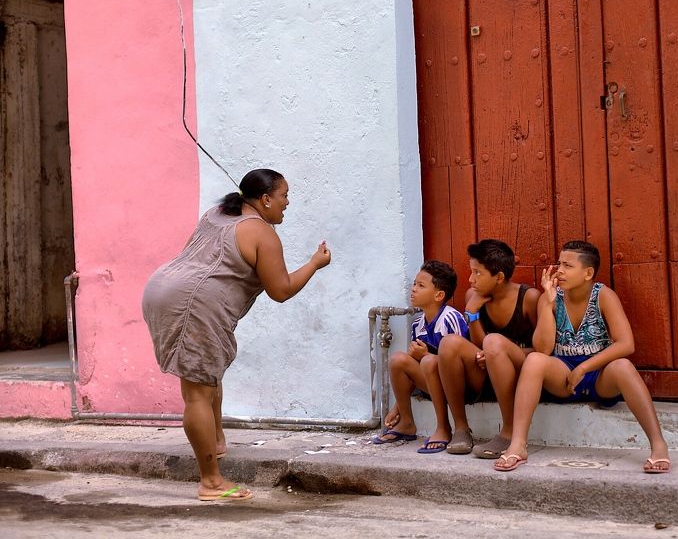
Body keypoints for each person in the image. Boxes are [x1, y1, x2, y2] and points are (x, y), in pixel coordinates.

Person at [142, 168, 331, 501]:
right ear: (265, 198)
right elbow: (281, 290)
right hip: (194, 305)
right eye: (284, 195)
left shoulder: (218, 213)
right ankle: (211, 482)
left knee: (208, 374)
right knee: (197, 393)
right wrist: (314, 263)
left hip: (162, 290)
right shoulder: (261, 233)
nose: (288, 203)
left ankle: (215, 443)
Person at [493, 240, 670, 473]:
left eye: (567, 265)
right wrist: (547, 303)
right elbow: (543, 349)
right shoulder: (552, 297)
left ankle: (658, 445)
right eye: (559, 264)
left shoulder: (603, 295)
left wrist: (585, 367)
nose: (559, 270)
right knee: (534, 360)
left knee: (624, 366)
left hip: (598, 376)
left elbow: (626, 344)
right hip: (563, 375)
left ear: (588, 273)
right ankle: (518, 445)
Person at [437, 239, 540, 457]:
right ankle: (461, 429)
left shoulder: (529, 298)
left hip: (521, 374)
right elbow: (476, 345)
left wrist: (499, 352)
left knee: (493, 343)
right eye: (471, 271)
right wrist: (472, 315)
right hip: (486, 373)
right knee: (449, 343)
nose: (470, 279)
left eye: (478, 273)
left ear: (499, 277)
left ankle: (509, 432)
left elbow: (543, 349)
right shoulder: (472, 297)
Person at [373, 260, 470, 454]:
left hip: (456, 384)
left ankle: (443, 428)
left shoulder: (451, 318)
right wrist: (396, 409)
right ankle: (406, 423)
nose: (413, 289)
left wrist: (426, 354)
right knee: (398, 359)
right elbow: (411, 371)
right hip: (430, 383)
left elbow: (460, 362)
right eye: (414, 284)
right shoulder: (418, 323)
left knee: (428, 360)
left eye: (421, 285)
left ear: (439, 295)